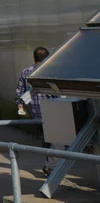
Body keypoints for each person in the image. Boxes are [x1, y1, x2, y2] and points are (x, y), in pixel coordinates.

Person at [17, 46, 60, 176]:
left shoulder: (25, 72)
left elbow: (20, 92)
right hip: (52, 111)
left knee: (47, 139)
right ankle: (50, 167)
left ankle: (49, 165)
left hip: (36, 113)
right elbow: (58, 93)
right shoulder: (51, 71)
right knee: (57, 141)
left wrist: (21, 107)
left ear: (34, 57)